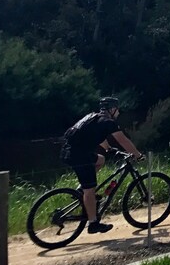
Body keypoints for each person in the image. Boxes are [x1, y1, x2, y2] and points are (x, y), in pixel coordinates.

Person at [60, 96, 143, 235]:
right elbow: (123, 140)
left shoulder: (93, 117)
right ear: (112, 109)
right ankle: (93, 223)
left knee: (100, 160)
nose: (118, 113)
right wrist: (137, 154)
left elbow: (96, 134)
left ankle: (82, 190)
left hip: (68, 151)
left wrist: (108, 148)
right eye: (117, 110)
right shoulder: (109, 122)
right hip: (79, 156)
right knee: (90, 190)